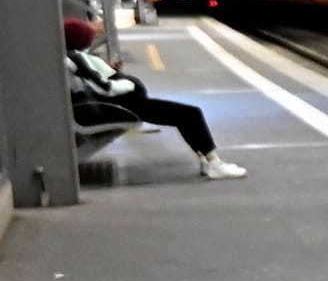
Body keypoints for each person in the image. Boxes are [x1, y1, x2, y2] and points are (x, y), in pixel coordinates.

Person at [64, 18, 248, 180]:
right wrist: (130, 84)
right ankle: (214, 163)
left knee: (185, 115)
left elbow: (97, 80)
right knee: (190, 114)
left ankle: (206, 158)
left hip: (121, 104)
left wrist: (112, 71)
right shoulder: (80, 58)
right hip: (125, 107)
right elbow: (105, 87)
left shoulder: (75, 58)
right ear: (81, 40)